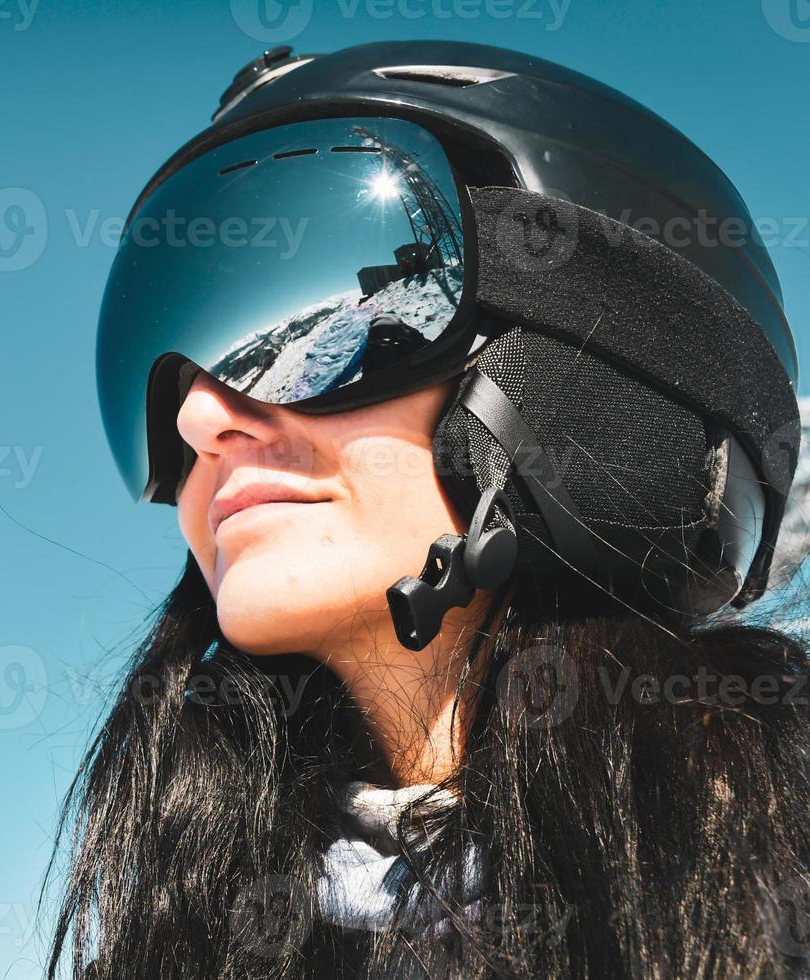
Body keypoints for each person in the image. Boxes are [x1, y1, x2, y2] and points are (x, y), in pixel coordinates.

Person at [45, 41, 810, 978]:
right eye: (164, 373)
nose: (201, 417)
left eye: (283, 346)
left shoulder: (780, 873)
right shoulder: (177, 936)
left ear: (588, 374)